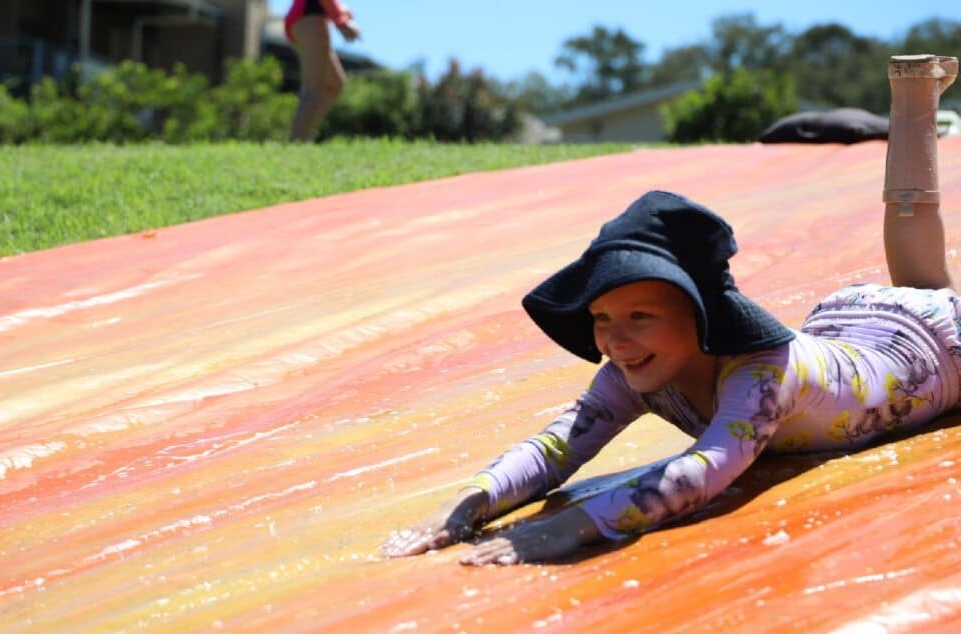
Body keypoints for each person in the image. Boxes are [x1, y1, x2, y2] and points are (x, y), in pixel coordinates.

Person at [383, 54, 960, 566]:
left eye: (639, 317)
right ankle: (914, 97)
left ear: (701, 318)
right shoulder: (639, 371)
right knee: (922, 273)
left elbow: (705, 468)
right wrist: (465, 505)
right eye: (602, 319)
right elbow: (556, 448)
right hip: (851, 323)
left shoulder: (762, 374)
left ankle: (914, 103)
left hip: (939, 346)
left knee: (929, 284)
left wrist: (572, 527)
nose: (615, 340)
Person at [285, 0, 361, 141]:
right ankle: (296, 143)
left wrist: (343, 12)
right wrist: (342, 21)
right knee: (313, 91)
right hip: (309, 17)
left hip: (305, 17)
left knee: (334, 84)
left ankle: (302, 136)